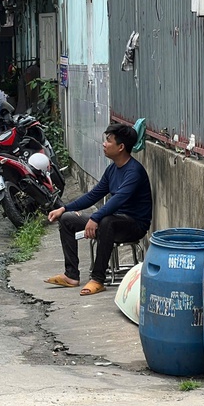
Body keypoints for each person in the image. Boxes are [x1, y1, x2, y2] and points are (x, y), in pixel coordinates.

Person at [44, 123, 152, 296]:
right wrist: (64, 208)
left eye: (108, 141)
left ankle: (98, 279)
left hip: (133, 225)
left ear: (121, 147)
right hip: (112, 220)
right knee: (67, 219)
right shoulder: (112, 169)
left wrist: (95, 218)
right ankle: (71, 275)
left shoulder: (134, 171)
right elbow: (93, 195)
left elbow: (118, 199)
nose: (104, 144)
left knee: (107, 221)